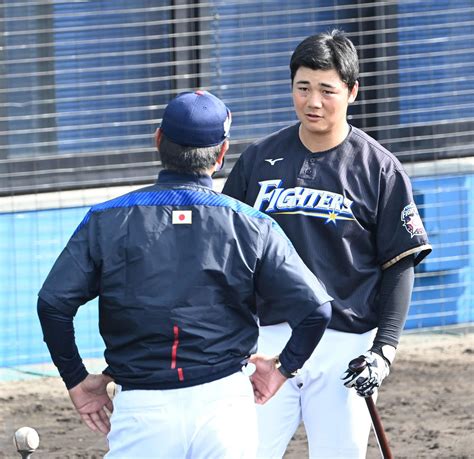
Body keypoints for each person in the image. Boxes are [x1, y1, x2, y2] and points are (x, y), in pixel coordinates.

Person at [37, 90, 333, 458]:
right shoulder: (253, 224)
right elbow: (317, 309)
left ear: (158, 140)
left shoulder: (106, 219)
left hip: (142, 409)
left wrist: (77, 380)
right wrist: (283, 368)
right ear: (222, 153)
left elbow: (52, 303)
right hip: (225, 405)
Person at [223, 30, 432, 458]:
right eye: (303, 88)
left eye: (326, 90)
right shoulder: (258, 160)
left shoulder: (380, 170)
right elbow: (225, 251)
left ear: (352, 91)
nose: (313, 102)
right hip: (268, 339)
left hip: (343, 344)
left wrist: (383, 352)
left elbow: (400, 264)